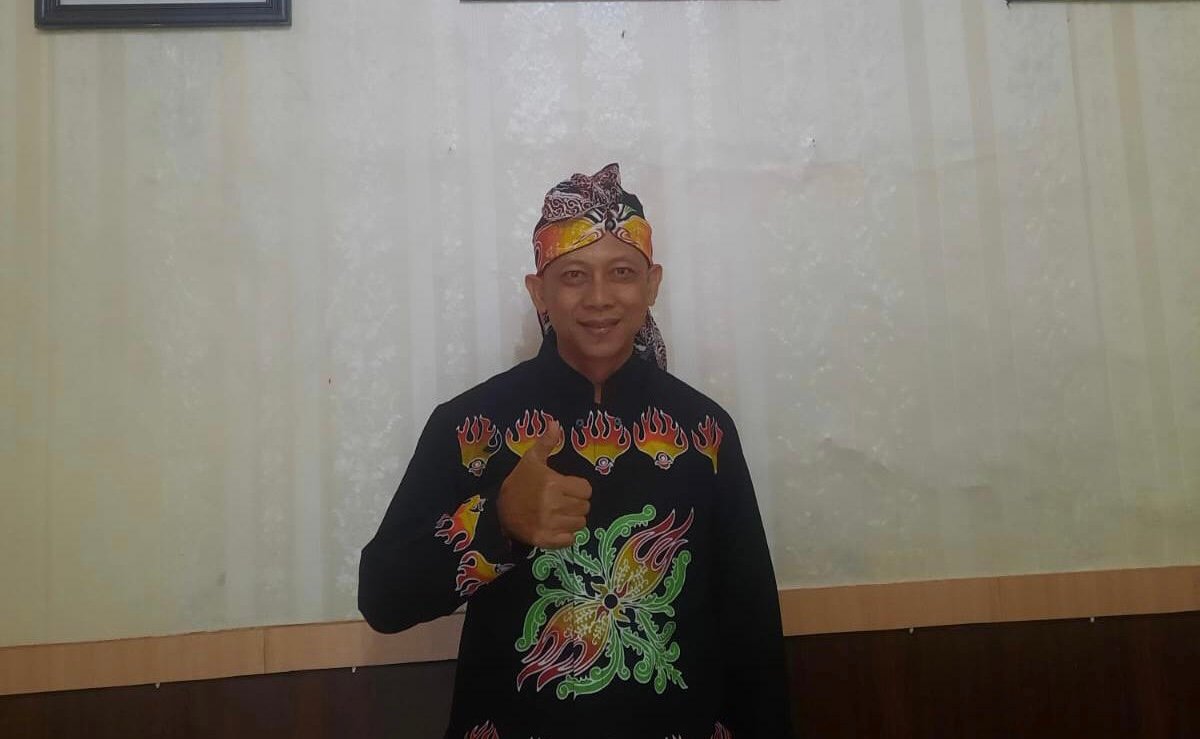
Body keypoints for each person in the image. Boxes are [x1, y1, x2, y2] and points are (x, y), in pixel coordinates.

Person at [358, 163, 792, 739]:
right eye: (573, 276)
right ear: (538, 291)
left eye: (621, 272)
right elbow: (382, 598)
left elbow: (752, 628)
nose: (599, 298)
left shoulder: (704, 433)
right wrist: (496, 522)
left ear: (652, 284)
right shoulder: (473, 428)